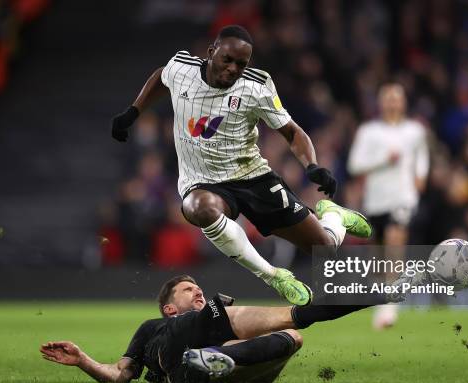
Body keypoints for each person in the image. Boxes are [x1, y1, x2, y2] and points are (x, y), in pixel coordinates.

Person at [110, 25, 372, 307]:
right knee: (198, 208)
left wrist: (312, 166)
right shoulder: (182, 69)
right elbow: (161, 77)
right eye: (228, 60)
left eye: (241, 63)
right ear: (212, 53)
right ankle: (273, 276)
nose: (234, 68)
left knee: (326, 249)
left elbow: (293, 132)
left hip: (253, 178)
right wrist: (134, 110)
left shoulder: (256, 87)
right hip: (202, 182)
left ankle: (333, 216)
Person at [40, 275, 384, 383]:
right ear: (169, 308)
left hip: (209, 362)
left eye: (197, 286)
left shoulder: (214, 317)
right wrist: (84, 360)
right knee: (223, 310)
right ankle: (206, 359)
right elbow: (120, 373)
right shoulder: (155, 326)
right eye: (188, 290)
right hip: (176, 352)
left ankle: (386, 291)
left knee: (295, 334)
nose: (197, 290)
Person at [347, 83, 429, 329]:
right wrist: (384, 160)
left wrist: (420, 177)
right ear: (381, 103)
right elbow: (354, 165)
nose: (393, 103)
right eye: (388, 99)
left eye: (397, 98)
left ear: (403, 102)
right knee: (379, 254)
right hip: (376, 201)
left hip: (402, 197)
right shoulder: (368, 131)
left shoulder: (415, 131)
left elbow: (421, 157)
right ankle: (382, 299)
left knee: (395, 243)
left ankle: (390, 304)